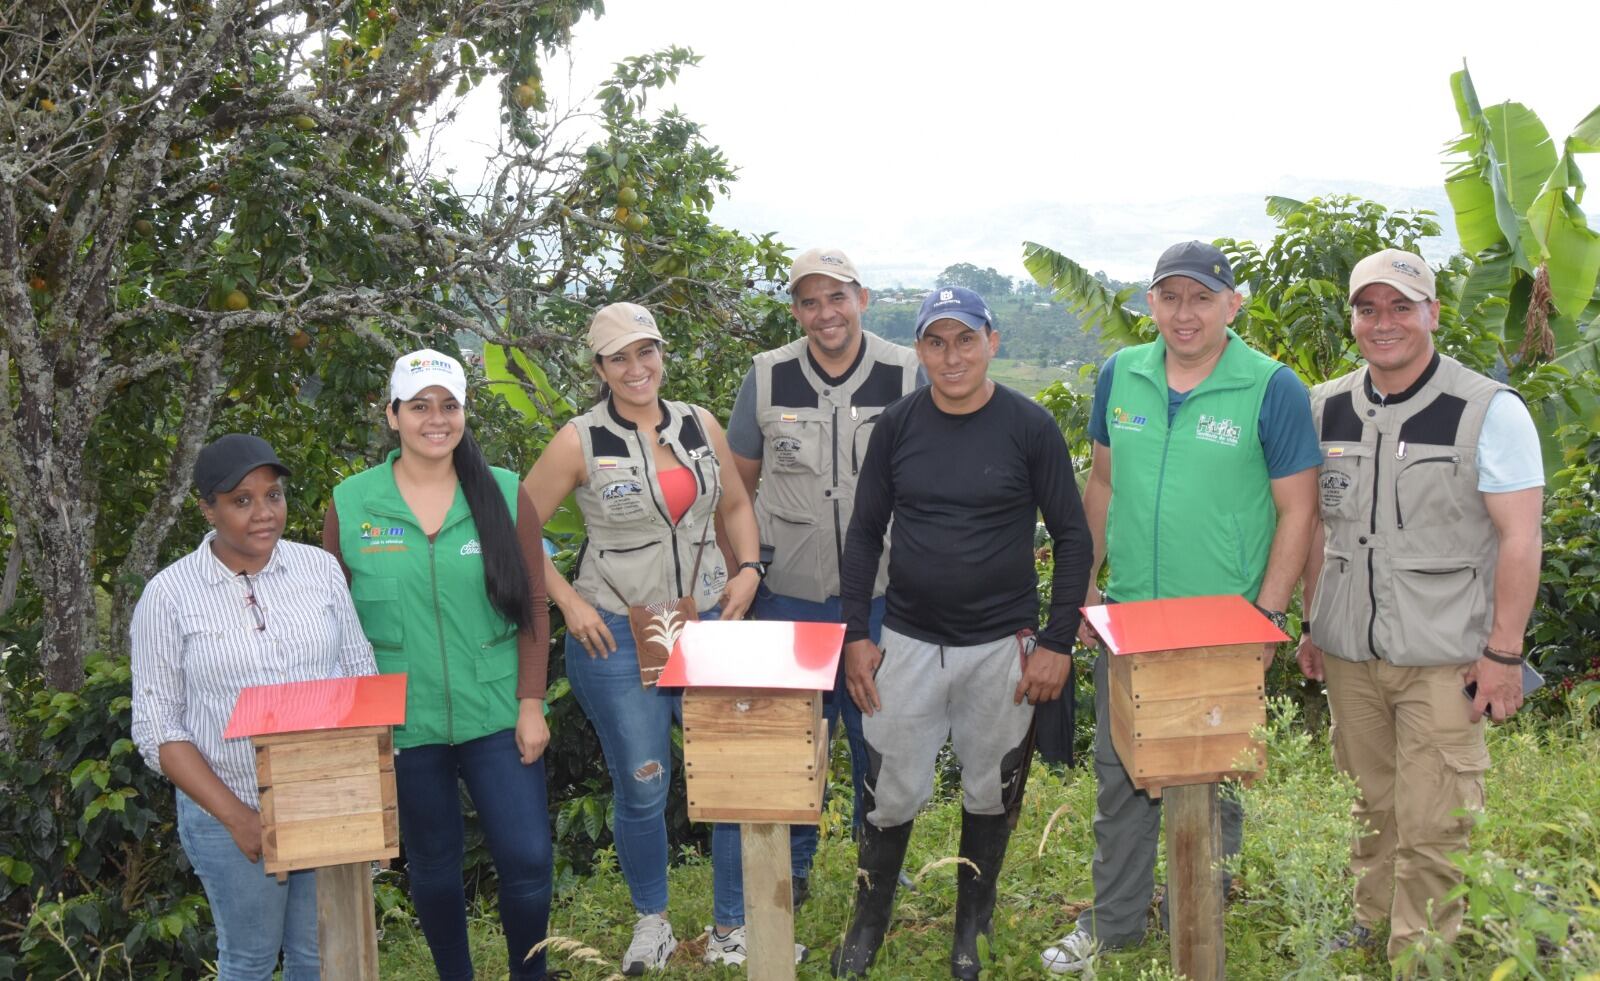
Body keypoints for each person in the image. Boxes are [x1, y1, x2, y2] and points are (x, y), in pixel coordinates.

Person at [1041, 241, 1321, 974]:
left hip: (1223, 625)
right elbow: (1101, 485)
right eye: (1170, 297)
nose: (1185, 313)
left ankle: (1200, 916)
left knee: (1215, 776)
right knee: (1121, 774)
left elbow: (1299, 511)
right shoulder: (1120, 375)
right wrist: (1085, 584)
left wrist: (1269, 615)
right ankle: (1115, 925)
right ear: (1151, 305)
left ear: (1233, 305)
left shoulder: (1270, 385)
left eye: (1202, 298)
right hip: (1130, 619)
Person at [522, 303, 794, 972]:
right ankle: (654, 922)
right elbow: (516, 525)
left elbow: (734, 503)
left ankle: (732, 927)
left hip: (704, 619)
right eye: (619, 357)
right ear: (599, 367)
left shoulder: (697, 423)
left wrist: (751, 569)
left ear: (661, 353)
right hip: (616, 626)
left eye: (646, 351)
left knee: (728, 775)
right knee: (644, 781)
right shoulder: (578, 440)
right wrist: (568, 604)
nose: (636, 367)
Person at [832, 286, 1093, 979]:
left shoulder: (1029, 427)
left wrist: (1058, 642)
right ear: (920, 350)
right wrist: (856, 631)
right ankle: (867, 922)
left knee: (991, 789)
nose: (952, 356)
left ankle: (970, 929)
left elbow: (1073, 536)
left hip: (1001, 647)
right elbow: (863, 533)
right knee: (889, 791)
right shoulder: (897, 426)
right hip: (910, 640)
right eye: (936, 342)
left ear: (992, 341)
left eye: (966, 339)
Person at [1296, 249, 1544, 961]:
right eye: (1368, 308)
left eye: (1402, 306)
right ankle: (1373, 925)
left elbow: (1520, 537)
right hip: (1350, 652)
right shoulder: (1327, 404)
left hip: (1446, 657)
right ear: (1352, 319)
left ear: (1433, 312)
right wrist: (1313, 624)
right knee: (1373, 805)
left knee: (1435, 819)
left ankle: (1420, 956)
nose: (1384, 322)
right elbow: (1317, 525)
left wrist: (1503, 653)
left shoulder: (1486, 410)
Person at [324, 349, 553, 980]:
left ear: (463, 413)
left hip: (498, 710)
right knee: (431, 862)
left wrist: (531, 702)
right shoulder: (352, 503)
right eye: (419, 406)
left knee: (528, 857)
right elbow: (334, 619)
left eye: (448, 406)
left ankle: (528, 972)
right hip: (401, 720)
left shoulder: (504, 492)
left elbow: (534, 600)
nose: (435, 419)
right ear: (392, 415)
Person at [132, 434, 376, 980]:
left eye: (274, 495)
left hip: (322, 800)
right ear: (207, 508)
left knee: (320, 955)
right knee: (250, 960)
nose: (264, 513)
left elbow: (358, 675)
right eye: (242, 500)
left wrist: (363, 795)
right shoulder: (169, 596)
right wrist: (239, 817)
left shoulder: (318, 569)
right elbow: (158, 729)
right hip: (231, 810)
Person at [724, 246, 924, 903]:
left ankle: (878, 866)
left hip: (881, 598)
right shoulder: (767, 374)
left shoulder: (905, 372)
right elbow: (736, 492)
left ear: (862, 298)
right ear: (796, 310)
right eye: (810, 300)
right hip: (791, 597)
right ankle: (797, 867)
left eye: (837, 297)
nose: (825, 312)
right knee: (798, 738)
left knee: (881, 737)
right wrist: (743, 580)